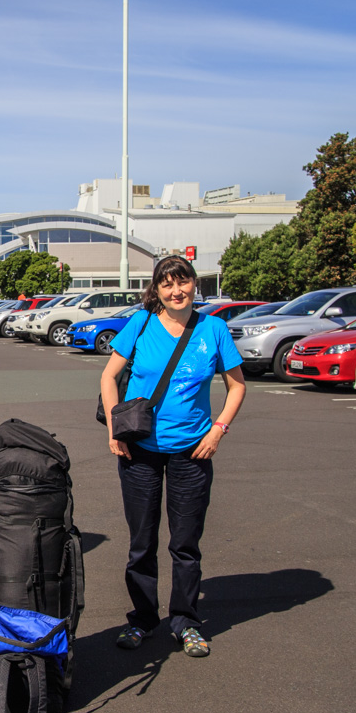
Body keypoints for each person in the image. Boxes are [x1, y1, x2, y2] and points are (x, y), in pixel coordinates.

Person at [99, 256, 246, 658]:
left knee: (185, 544)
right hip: (139, 450)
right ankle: (144, 618)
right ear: (156, 290)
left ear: (195, 285)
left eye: (183, 283)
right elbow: (108, 376)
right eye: (167, 285)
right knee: (141, 542)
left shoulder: (213, 329)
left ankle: (185, 621)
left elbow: (236, 386)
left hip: (193, 452)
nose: (176, 291)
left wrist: (217, 430)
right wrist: (115, 429)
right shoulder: (141, 324)